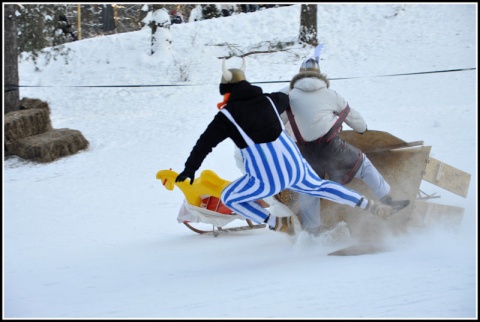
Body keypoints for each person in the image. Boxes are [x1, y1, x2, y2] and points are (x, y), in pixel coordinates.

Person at [175, 58, 395, 236]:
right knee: (320, 186)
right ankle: (371, 206)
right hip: (295, 168)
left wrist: (190, 169)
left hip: (266, 179)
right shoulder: (272, 100)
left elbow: (204, 144)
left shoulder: (225, 117)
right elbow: (290, 96)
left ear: (226, 90)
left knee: (230, 197)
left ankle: (277, 223)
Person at [282, 58, 410, 235]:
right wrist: (363, 129)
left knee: (308, 189)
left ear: (298, 75)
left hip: (305, 155)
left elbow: (276, 124)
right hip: (332, 151)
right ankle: (386, 198)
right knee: (363, 164)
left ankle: (312, 231)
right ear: (320, 75)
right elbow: (357, 122)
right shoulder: (331, 95)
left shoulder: (287, 96)